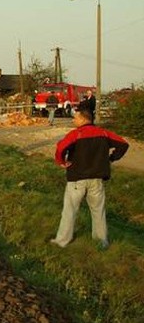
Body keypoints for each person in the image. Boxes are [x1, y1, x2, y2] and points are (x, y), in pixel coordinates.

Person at [50, 107, 129, 249]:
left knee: (70, 211)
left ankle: (62, 241)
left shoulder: (75, 134)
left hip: (76, 179)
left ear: (83, 119)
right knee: (98, 211)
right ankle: (101, 242)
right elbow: (123, 144)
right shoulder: (104, 133)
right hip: (97, 179)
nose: (73, 119)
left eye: (75, 117)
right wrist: (111, 158)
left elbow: (60, 148)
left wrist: (62, 162)